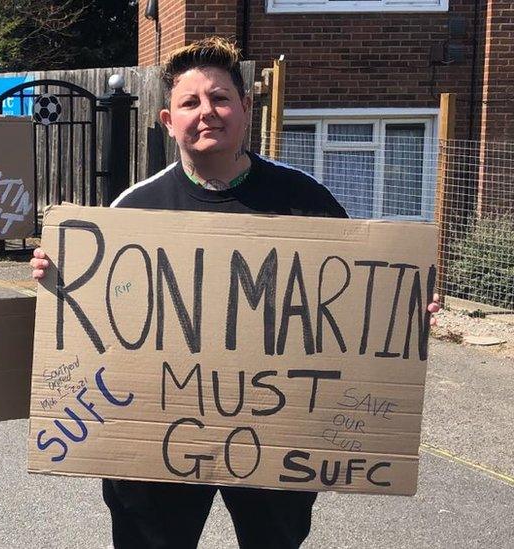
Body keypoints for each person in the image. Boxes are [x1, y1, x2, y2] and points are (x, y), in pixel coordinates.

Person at [30, 37, 441, 549]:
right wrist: (59, 279)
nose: (208, 112)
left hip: (277, 440)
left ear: (246, 107)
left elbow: (358, 305)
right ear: (166, 119)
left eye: (221, 98)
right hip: (158, 442)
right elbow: (98, 319)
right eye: (190, 102)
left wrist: (400, 312)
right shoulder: (132, 213)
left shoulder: (307, 202)